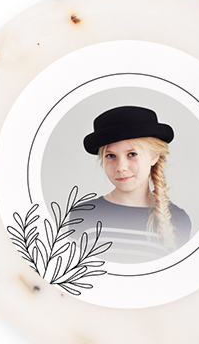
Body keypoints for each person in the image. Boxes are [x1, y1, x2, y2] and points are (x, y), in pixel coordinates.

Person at [75, 105, 191, 263]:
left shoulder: (178, 220)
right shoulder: (82, 215)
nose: (121, 167)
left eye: (132, 154)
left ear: (154, 156)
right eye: (111, 156)